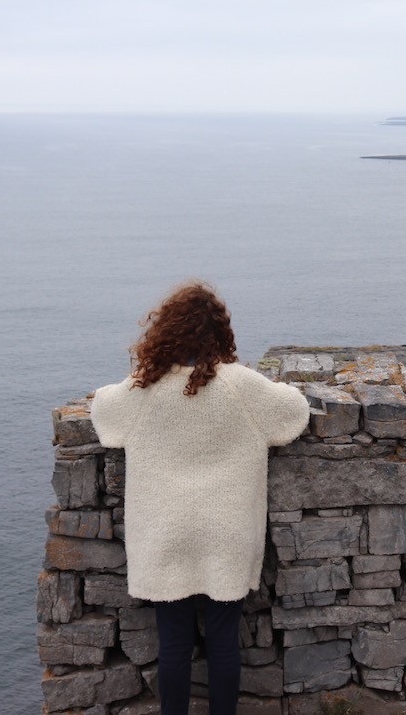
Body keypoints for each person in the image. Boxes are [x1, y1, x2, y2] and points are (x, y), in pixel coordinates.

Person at [90, 281, 310, 715]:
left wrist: (142, 374)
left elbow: (102, 413)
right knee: (224, 641)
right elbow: (293, 412)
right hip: (227, 530)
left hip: (165, 532)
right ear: (220, 332)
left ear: (166, 332)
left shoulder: (143, 389)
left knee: (173, 645)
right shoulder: (242, 386)